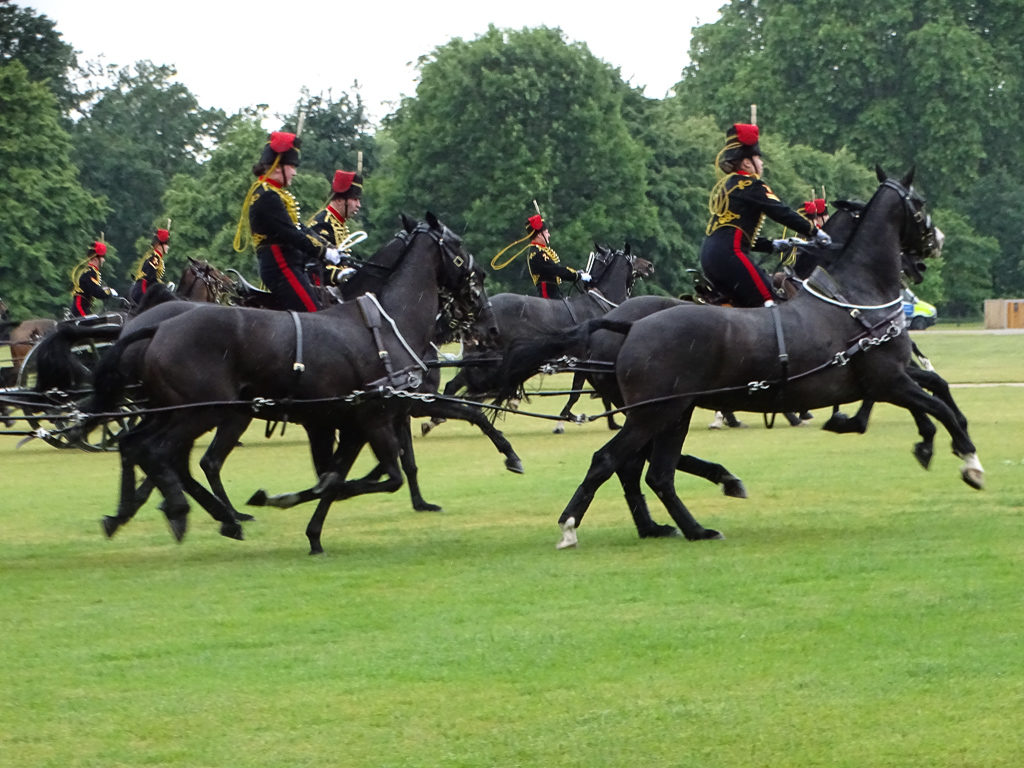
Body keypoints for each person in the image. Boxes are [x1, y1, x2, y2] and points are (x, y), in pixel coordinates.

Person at [699, 123, 831, 309]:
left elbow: (733, 232)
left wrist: (772, 244)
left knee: (744, 308)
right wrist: (814, 232)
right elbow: (781, 212)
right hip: (730, 255)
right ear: (747, 163)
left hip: (710, 256)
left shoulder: (731, 185)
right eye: (758, 159)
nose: (762, 164)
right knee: (771, 304)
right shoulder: (751, 185)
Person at [233, 131, 330, 312]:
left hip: (290, 264)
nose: (294, 172)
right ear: (278, 166)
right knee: (314, 316)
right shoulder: (267, 195)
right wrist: (322, 252)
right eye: (292, 166)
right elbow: (290, 233)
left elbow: (299, 227)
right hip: (281, 265)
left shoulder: (275, 193)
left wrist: (327, 246)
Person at [307, 169, 362, 288]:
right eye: (355, 199)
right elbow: (316, 267)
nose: (358, 205)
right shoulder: (322, 225)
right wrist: (339, 274)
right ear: (339, 199)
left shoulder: (339, 224)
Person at [524, 214, 590, 299]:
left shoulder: (539, 250)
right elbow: (556, 270)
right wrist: (577, 276)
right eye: (547, 232)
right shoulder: (537, 253)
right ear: (539, 234)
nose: (549, 235)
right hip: (548, 295)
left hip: (555, 292)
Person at [70, 241, 118, 317]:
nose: (104, 260)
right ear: (95, 259)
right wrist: (109, 292)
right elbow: (97, 292)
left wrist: (104, 289)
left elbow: (94, 289)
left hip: (84, 307)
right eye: (102, 257)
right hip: (80, 308)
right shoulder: (90, 273)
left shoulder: (90, 271)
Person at [129, 228, 170, 305]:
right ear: (159, 244)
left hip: (146, 288)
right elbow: (151, 277)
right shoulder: (155, 258)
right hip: (143, 290)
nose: (168, 246)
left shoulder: (157, 258)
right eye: (166, 243)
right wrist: (163, 287)